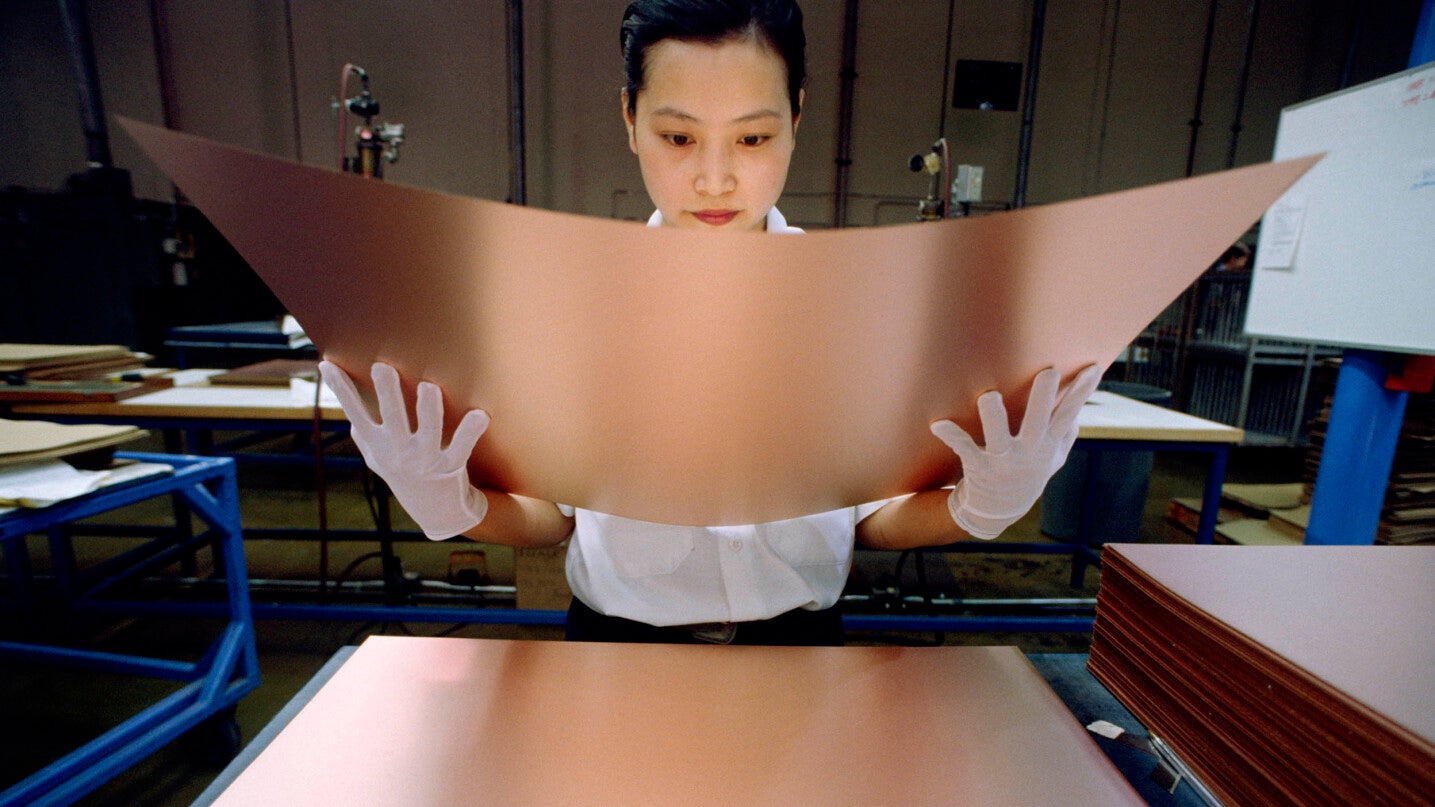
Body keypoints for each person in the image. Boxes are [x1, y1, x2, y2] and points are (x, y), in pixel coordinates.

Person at [318, 0, 1100, 647]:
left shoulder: (858, 304)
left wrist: (980, 505)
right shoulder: (569, 301)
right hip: (618, 652)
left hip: (803, 652)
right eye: (678, 136)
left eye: (753, 137)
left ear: (796, 117)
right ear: (629, 118)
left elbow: (874, 522)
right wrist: (454, 504)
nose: (715, 176)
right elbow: (550, 517)